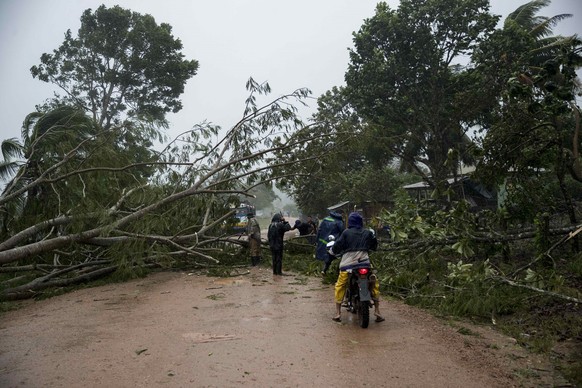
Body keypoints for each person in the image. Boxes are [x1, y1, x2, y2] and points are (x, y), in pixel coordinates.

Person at [330, 212, 384, 323]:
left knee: (340, 285)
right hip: (365, 264)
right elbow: (374, 246)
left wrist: (332, 251)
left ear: (350, 222)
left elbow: (337, 246)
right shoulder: (368, 232)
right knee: (374, 283)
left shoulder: (346, 233)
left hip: (348, 265)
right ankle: (377, 311)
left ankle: (338, 313)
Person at [316, 210, 344, 274]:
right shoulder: (339, 222)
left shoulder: (325, 219)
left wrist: (317, 240)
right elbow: (343, 233)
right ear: (340, 214)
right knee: (332, 255)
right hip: (333, 242)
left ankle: (323, 269)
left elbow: (319, 230)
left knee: (323, 255)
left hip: (322, 241)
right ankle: (328, 269)